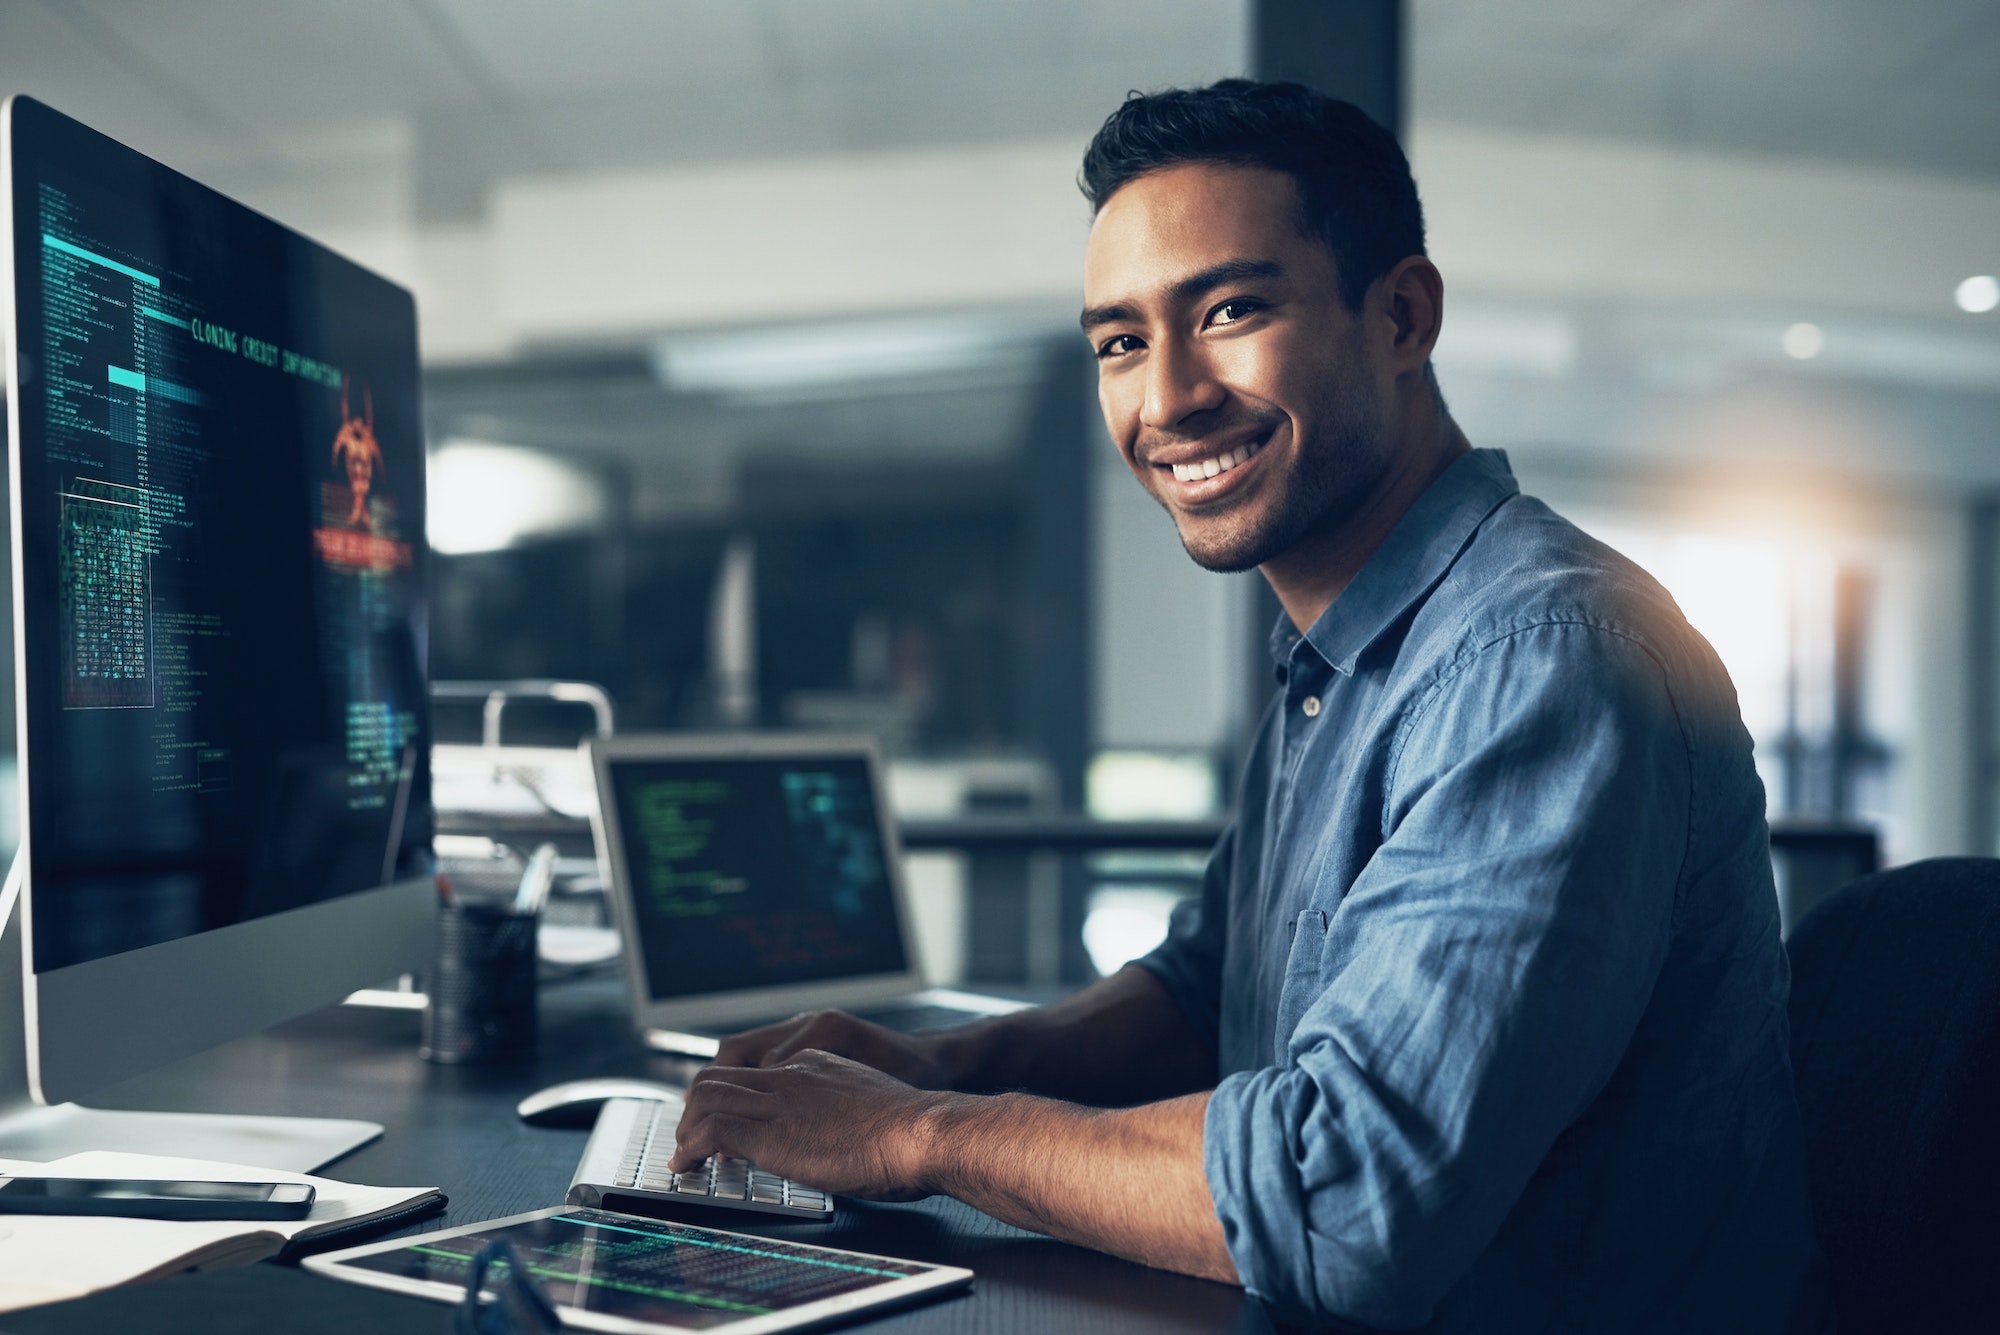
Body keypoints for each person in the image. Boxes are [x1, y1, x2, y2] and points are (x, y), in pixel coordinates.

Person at [670, 80, 1831, 1332]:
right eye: (1119, 341)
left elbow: (1344, 1198)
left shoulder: (1540, 660)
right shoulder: (1343, 650)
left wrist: (915, 1133)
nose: (1165, 398)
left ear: (1399, 315)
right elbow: (1208, 988)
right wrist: (945, 1059)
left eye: (1229, 310)